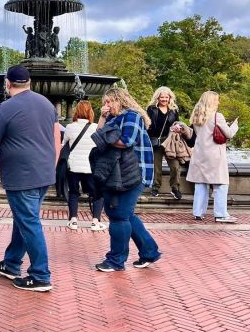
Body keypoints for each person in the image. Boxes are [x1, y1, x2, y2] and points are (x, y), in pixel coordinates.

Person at [0, 65, 57, 292]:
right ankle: (11, 263)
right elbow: (56, 139)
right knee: (24, 218)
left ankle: (40, 275)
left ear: (7, 83)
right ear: (29, 82)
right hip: (44, 172)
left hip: (21, 174)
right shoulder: (46, 104)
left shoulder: (6, 108)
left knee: (29, 222)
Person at [94, 87, 160, 272]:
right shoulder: (113, 118)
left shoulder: (132, 116)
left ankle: (116, 260)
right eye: (104, 102)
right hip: (118, 174)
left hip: (133, 173)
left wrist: (104, 138)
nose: (106, 106)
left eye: (109, 102)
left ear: (119, 100)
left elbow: (126, 141)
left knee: (119, 215)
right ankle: (149, 252)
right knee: (126, 214)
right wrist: (102, 118)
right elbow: (97, 137)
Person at [185, 90, 238, 223]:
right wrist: (234, 126)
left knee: (201, 183)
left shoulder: (196, 116)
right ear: (212, 101)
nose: (218, 102)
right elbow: (229, 134)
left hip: (199, 154)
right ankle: (220, 214)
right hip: (214, 155)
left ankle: (198, 212)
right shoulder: (217, 116)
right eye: (217, 100)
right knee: (221, 184)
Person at [62, 100, 106, 231]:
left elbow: (65, 145)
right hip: (90, 167)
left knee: (74, 192)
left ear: (77, 111)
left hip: (73, 166)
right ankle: (95, 221)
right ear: (90, 112)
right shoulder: (95, 128)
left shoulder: (70, 127)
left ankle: (73, 220)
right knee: (97, 194)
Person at [146, 86, 181, 199]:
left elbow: (177, 123)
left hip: (169, 141)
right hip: (156, 140)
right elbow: (148, 124)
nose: (164, 99)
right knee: (157, 166)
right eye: (162, 97)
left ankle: (175, 188)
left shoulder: (174, 110)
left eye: (166, 97)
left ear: (170, 98)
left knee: (175, 166)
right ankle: (155, 187)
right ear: (158, 98)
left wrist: (177, 128)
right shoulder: (151, 109)